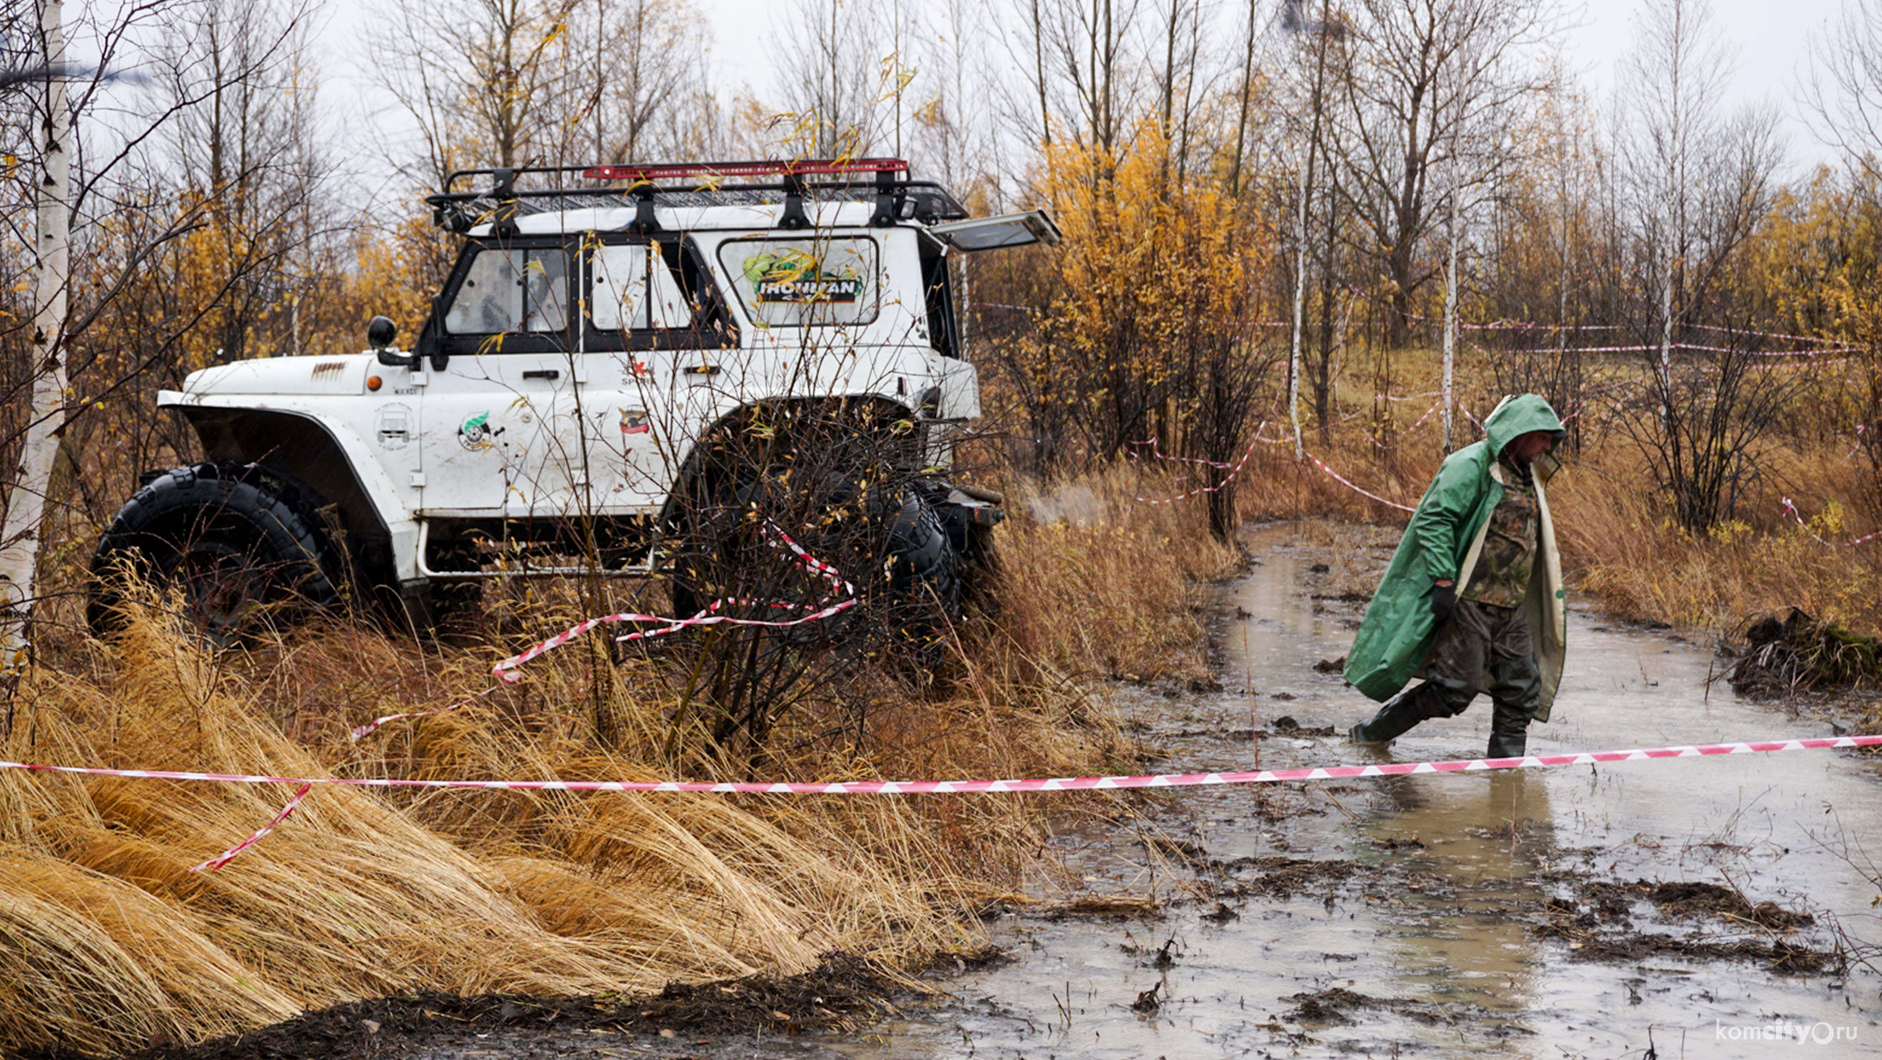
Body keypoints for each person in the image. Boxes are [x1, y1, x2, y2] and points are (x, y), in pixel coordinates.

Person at [1343, 394, 1569, 757]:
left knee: (1521, 689)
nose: (1547, 446)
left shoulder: (1529, 473)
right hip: (1470, 602)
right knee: (1454, 689)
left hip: (1511, 606)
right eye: (1543, 437)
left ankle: (1506, 785)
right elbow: (1435, 520)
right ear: (1521, 432)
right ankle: (1371, 735)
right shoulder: (1470, 465)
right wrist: (1443, 580)